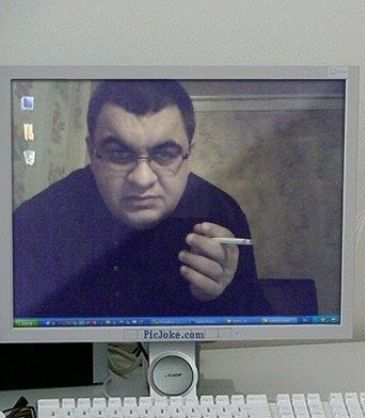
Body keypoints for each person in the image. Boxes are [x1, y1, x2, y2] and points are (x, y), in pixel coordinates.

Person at [13, 80, 270, 319]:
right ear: (92, 152)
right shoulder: (37, 222)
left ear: (189, 154)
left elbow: (257, 325)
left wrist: (225, 296)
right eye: (118, 153)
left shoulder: (220, 213)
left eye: (165, 154)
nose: (142, 178)